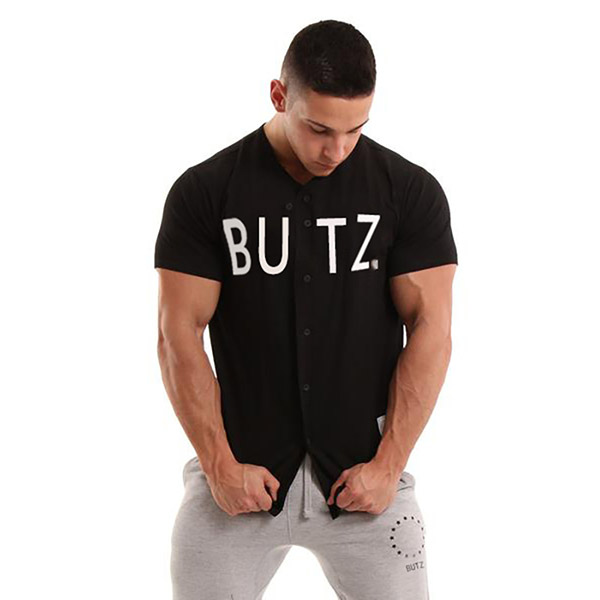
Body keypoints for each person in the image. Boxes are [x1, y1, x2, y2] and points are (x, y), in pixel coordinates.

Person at [154, 18, 458, 600]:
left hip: (366, 482)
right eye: (319, 129)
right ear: (279, 95)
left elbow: (432, 329)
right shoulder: (205, 192)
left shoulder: (408, 191)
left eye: (355, 130)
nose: (337, 150)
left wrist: (389, 466)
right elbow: (178, 335)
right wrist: (218, 465)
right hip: (237, 479)